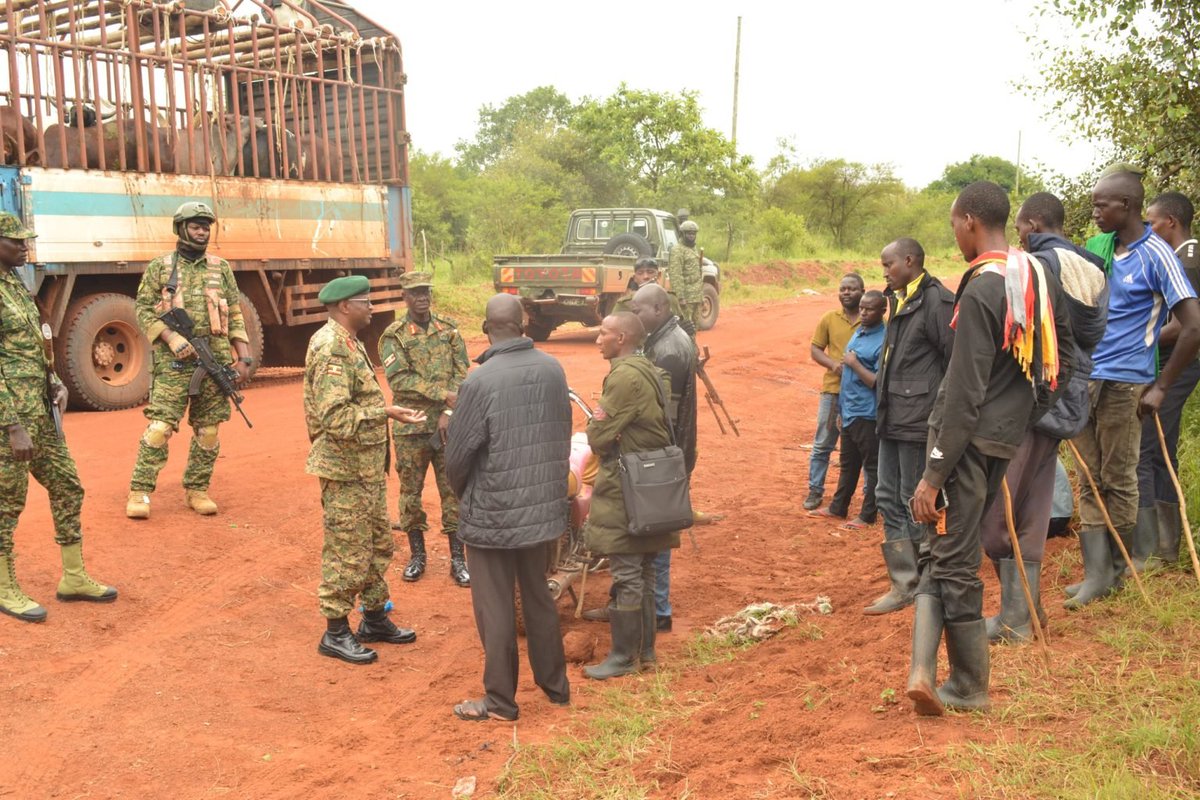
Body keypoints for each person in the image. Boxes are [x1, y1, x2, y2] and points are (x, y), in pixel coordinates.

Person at [908, 181, 1072, 715]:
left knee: (954, 559)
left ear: (970, 222)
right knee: (943, 551)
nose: (954, 234)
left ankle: (969, 685)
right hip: (999, 437)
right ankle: (926, 672)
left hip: (965, 444)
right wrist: (1018, 420)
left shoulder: (982, 287)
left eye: (954, 224)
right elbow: (1056, 364)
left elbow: (963, 390)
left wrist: (934, 472)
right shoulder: (1033, 277)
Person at [1068, 172, 1200, 608]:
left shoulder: (1158, 255)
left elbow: (1193, 324)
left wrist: (1161, 386)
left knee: (1120, 477)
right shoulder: (1105, 250)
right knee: (1090, 474)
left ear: (1126, 205)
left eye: (1102, 205)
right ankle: (1097, 572)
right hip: (1090, 376)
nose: (1095, 212)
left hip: (1127, 382)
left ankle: (1117, 570)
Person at [980, 192, 1105, 642]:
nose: (1019, 236)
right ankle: (1028, 614)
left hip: (1032, 402)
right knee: (1034, 507)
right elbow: (1088, 337)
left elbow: (1023, 336)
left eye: (1019, 228)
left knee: (998, 514)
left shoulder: (1034, 268)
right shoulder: (1092, 264)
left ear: (1032, 224)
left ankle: (1016, 617)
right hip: (1069, 400)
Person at [444, 293, 572, 722]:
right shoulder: (553, 369)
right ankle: (556, 687)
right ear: (525, 322)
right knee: (537, 595)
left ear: (486, 329)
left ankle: (500, 702)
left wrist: (469, 496)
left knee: (495, 608)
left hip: (494, 514)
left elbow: (458, 458)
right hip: (540, 510)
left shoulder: (478, 382)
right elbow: (561, 433)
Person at [0, 212, 116, 622]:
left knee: (68, 486)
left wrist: (54, 380)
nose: (25, 246)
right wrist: (11, 425)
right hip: (9, 421)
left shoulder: (16, 284)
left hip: (41, 412)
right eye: (16, 241)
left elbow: (32, 345)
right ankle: (4, 587)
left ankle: (73, 576)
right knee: (6, 504)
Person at [304, 275, 425, 665]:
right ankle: (335, 632)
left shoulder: (348, 341)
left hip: (365, 468)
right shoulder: (331, 348)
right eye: (365, 301)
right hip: (345, 470)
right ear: (344, 307)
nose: (371, 307)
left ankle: (373, 618)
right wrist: (386, 412)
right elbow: (336, 418)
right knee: (347, 552)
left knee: (376, 544)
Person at [125, 202, 252, 520]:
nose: (202, 231)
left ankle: (197, 489)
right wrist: (171, 338)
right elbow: (142, 308)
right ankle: (140, 491)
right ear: (180, 229)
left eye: (206, 226)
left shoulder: (220, 268)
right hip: (173, 363)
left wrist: (244, 356)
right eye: (195, 225)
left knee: (208, 431)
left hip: (216, 360)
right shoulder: (160, 267)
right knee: (160, 428)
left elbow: (234, 312)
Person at [582, 313, 679, 680]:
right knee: (647, 571)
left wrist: (603, 431)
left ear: (621, 337)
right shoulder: (651, 370)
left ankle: (623, 657)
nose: (597, 340)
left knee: (626, 572)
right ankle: (647, 653)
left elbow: (598, 435)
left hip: (627, 488)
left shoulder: (622, 377)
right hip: (651, 485)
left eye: (603, 333)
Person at [864, 238, 954, 616]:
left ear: (910, 260)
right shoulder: (897, 298)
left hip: (920, 422)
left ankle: (925, 583)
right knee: (887, 496)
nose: (884, 271)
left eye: (889, 264)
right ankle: (903, 582)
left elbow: (954, 363)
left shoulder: (937, 301)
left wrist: (940, 416)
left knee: (915, 500)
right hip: (891, 417)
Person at [378, 271, 470, 587]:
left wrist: (447, 409)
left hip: (448, 427)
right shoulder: (394, 335)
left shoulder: (449, 329)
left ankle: (459, 560)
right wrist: (442, 394)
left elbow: (462, 373)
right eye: (415, 292)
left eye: (426, 291)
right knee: (410, 495)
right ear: (404, 297)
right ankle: (417, 557)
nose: (422, 297)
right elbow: (399, 380)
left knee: (453, 492)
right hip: (411, 425)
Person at [1132, 191, 1200, 570]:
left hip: (1178, 365)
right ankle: (1164, 545)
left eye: (1153, 222)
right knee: (1160, 445)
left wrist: (1137, 338)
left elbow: (1183, 326)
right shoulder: (1178, 257)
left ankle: (1157, 549)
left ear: (1171, 222)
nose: (1149, 228)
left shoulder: (1187, 261)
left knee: (1151, 447)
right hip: (1174, 364)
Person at [630, 283, 698, 632]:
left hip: (665, 453)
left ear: (658, 308)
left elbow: (663, 416)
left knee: (655, 531)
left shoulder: (668, 349)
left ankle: (658, 612)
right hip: (673, 451)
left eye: (638, 310)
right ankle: (654, 606)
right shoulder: (665, 338)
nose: (634, 315)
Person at [809, 290, 886, 528]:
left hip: (868, 413)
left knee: (871, 467)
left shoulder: (883, 339)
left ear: (882, 312)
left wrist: (853, 363)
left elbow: (877, 381)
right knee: (848, 463)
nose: (863, 312)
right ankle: (838, 507)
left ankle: (867, 515)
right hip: (850, 410)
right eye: (861, 308)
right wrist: (842, 411)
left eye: (869, 308)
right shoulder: (860, 333)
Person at [803, 274, 864, 510]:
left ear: (862, 291)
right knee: (823, 444)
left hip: (863, 395)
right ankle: (815, 491)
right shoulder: (829, 319)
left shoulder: (874, 319)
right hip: (833, 392)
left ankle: (871, 497)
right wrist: (833, 365)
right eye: (843, 289)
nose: (846, 293)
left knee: (866, 447)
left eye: (852, 289)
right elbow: (816, 349)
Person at [612, 257, 685, 322]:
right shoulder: (625, 303)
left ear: (659, 275)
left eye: (650, 272)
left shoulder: (669, 298)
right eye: (640, 273)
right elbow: (614, 328)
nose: (646, 277)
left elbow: (680, 325)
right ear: (634, 278)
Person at [668, 220, 703, 331]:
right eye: (688, 233)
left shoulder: (693, 248)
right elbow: (676, 275)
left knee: (695, 327)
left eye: (693, 233)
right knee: (686, 329)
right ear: (682, 234)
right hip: (686, 298)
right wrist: (680, 297)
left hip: (696, 296)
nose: (691, 236)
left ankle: (693, 348)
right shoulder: (678, 250)